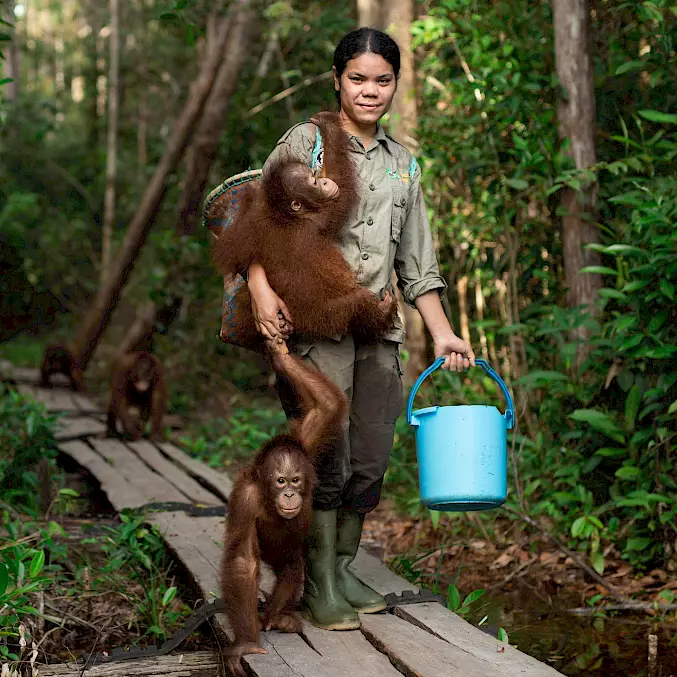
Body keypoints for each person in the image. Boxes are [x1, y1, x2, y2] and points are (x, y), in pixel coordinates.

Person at [246, 27, 475, 631]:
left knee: (371, 458)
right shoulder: (308, 143)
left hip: (379, 328)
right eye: (358, 78)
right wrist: (260, 289)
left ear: (396, 84)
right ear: (337, 79)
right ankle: (318, 580)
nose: (370, 91)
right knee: (330, 453)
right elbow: (256, 220)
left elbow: (418, 265)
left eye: (382, 80)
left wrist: (444, 332)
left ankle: (342, 563)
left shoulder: (404, 165)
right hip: (316, 325)